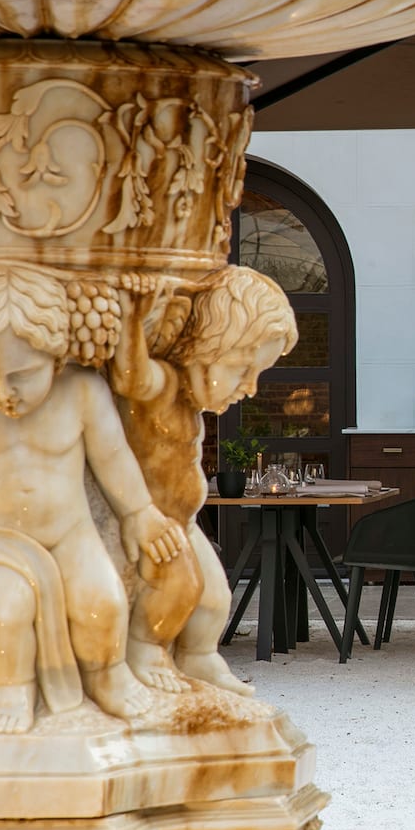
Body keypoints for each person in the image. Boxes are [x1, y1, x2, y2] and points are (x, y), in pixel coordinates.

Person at [0, 262, 185, 733]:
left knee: (102, 603)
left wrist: (138, 512)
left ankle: (107, 674)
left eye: (20, 375)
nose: (3, 392)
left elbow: (113, 457)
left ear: (55, 358)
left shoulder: (82, 393)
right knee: (0, 609)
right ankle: (12, 687)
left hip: (72, 535)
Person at [112, 266, 295, 696]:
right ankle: (145, 651)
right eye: (241, 369)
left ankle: (199, 658)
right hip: (152, 519)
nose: (250, 388)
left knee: (213, 598)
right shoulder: (164, 385)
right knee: (179, 587)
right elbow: (130, 376)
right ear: (203, 346)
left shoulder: (188, 401)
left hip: (182, 519)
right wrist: (132, 315)